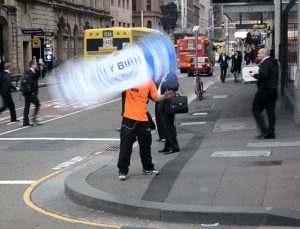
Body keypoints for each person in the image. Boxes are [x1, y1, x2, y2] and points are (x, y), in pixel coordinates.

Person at [117, 79, 174, 181]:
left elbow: (155, 97)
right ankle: (122, 170)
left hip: (143, 119)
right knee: (126, 146)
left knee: (146, 145)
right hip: (128, 119)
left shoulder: (149, 81)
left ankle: (147, 168)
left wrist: (164, 97)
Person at [250, 48, 279, 139]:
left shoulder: (265, 63)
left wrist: (254, 75)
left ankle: (264, 130)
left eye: (259, 53)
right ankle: (271, 132)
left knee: (256, 110)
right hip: (273, 91)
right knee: (271, 112)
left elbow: (263, 76)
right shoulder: (274, 63)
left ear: (263, 54)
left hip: (264, 91)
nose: (258, 55)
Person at [158, 71, 180, 155]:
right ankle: (167, 145)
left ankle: (175, 146)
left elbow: (175, 86)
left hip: (169, 104)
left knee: (169, 126)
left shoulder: (171, 75)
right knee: (165, 126)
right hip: (163, 103)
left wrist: (165, 84)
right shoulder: (162, 75)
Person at [22, 60, 41, 127]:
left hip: (26, 93)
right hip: (30, 92)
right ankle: (34, 120)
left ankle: (25, 122)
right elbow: (31, 83)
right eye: (36, 64)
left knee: (27, 107)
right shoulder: (30, 72)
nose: (37, 65)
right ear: (32, 65)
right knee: (37, 104)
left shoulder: (29, 71)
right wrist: (33, 91)